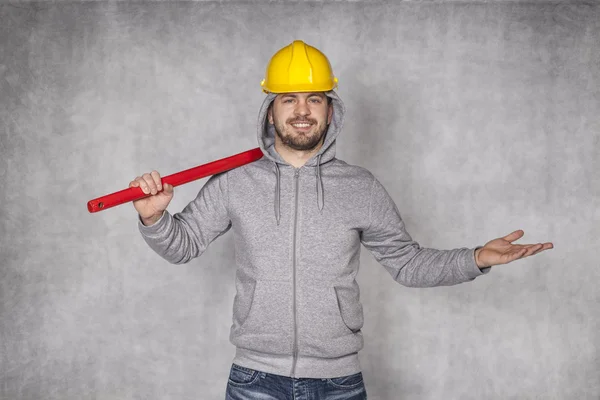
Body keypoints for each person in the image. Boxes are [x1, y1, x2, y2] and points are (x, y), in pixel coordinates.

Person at [129, 40, 553, 400]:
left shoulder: (360, 186)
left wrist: (476, 257)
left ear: (330, 111)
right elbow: (182, 245)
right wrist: (155, 218)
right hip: (254, 380)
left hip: (338, 382)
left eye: (314, 98)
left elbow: (407, 263)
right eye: (288, 99)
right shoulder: (235, 182)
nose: (301, 110)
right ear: (270, 111)